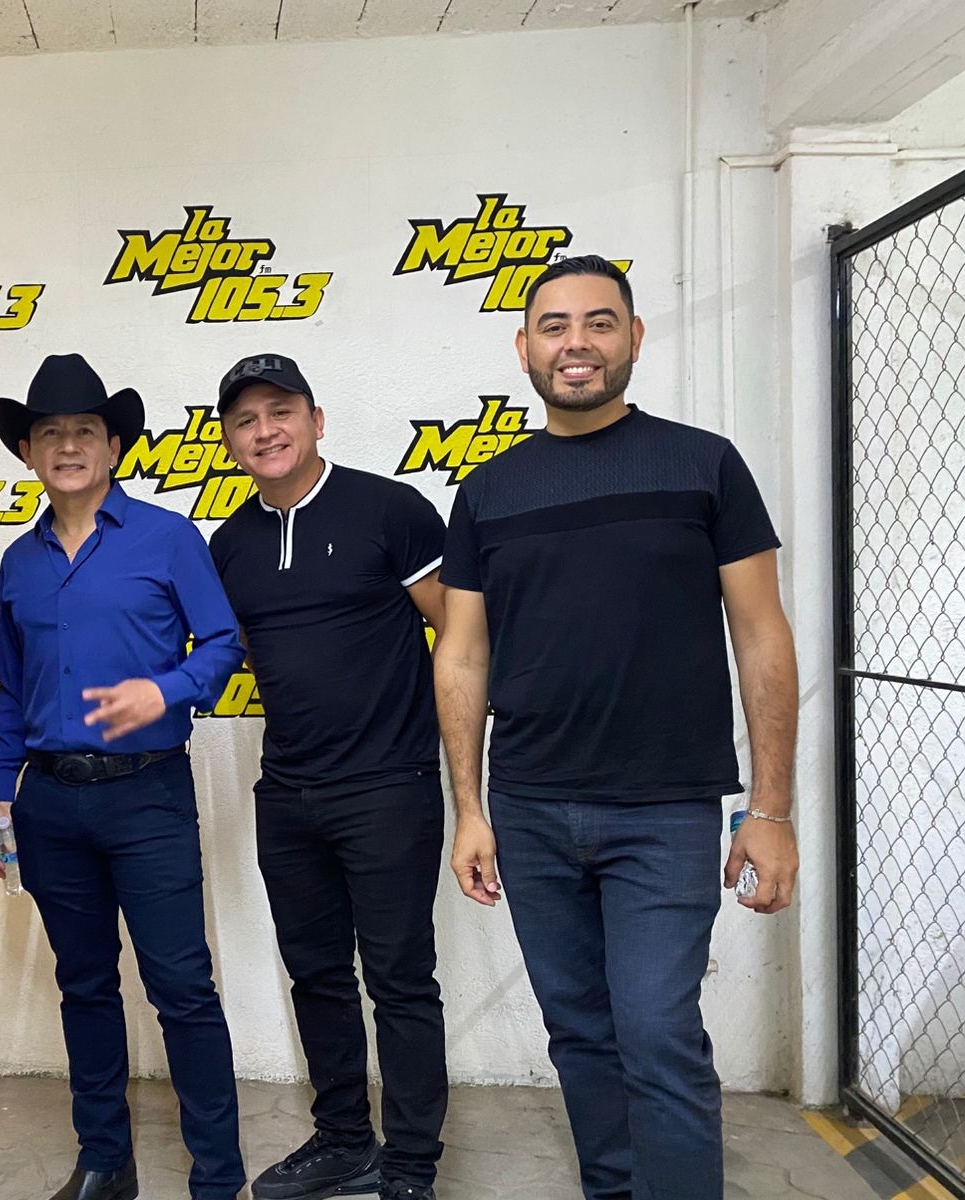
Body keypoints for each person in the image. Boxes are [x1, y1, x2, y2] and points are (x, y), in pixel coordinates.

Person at [435, 255, 800, 1200]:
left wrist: (770, 810)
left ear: (634, 337)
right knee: (581, 1033)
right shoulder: (488, 491)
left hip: (664, 810)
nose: (577, 344)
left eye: (600, 322)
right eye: (554, 326)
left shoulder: (703, 464)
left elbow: (762, 634)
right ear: (524, 348)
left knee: (657, 1033)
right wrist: (469, 808)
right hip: (530, 808)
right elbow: (463, 654)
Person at [0, 353, 247, 1200]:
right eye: (51, 433)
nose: (68, 446)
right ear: (28, 451)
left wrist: (166, 691)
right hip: (49, 804)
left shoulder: (168, 537)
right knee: (85, 986)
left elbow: (225, 643)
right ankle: (105, 1162)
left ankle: (218, 1177)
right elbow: (14, 688)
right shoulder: (18, 562)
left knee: (182, 987)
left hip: (148, 796)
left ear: (113, 446)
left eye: (85, 431)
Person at [209, 354, 450, 1200]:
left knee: (400, 980)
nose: (265, 431)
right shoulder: (229, 544)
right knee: (316, 976)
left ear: (316, 420)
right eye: (245, 420)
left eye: (281, 412)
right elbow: (232, 655)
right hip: (287, 793)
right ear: (229, 441)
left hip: (389, 785)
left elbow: (461, 635)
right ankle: (345, 1140)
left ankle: (411, 1166)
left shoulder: (391, 510)